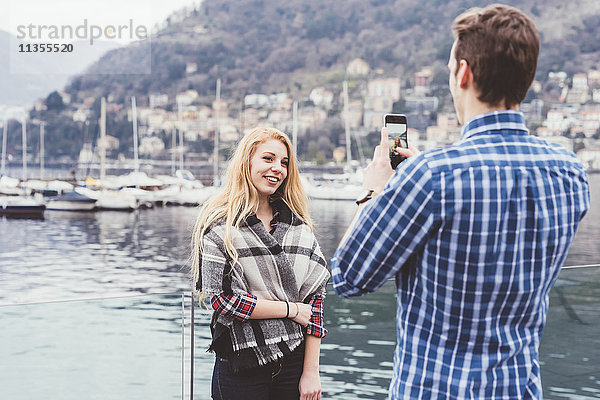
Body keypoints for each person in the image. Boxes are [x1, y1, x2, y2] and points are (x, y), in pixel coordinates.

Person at [331, 4, 590, 399]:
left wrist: (376, 191)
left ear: (463, 73)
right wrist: (420, 184)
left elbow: (349, 277)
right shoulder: (569, 172)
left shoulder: (434, 176)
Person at [191, 127, 329, 400]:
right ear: (247, 162)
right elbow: (223, 301)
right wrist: (290, 310)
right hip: (241, 362)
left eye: (284, 163)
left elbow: (315, 303)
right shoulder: (220, 226)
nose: (277, 168)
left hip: (294, 361)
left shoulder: (298, 228)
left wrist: (311, 372)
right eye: (268, 159)